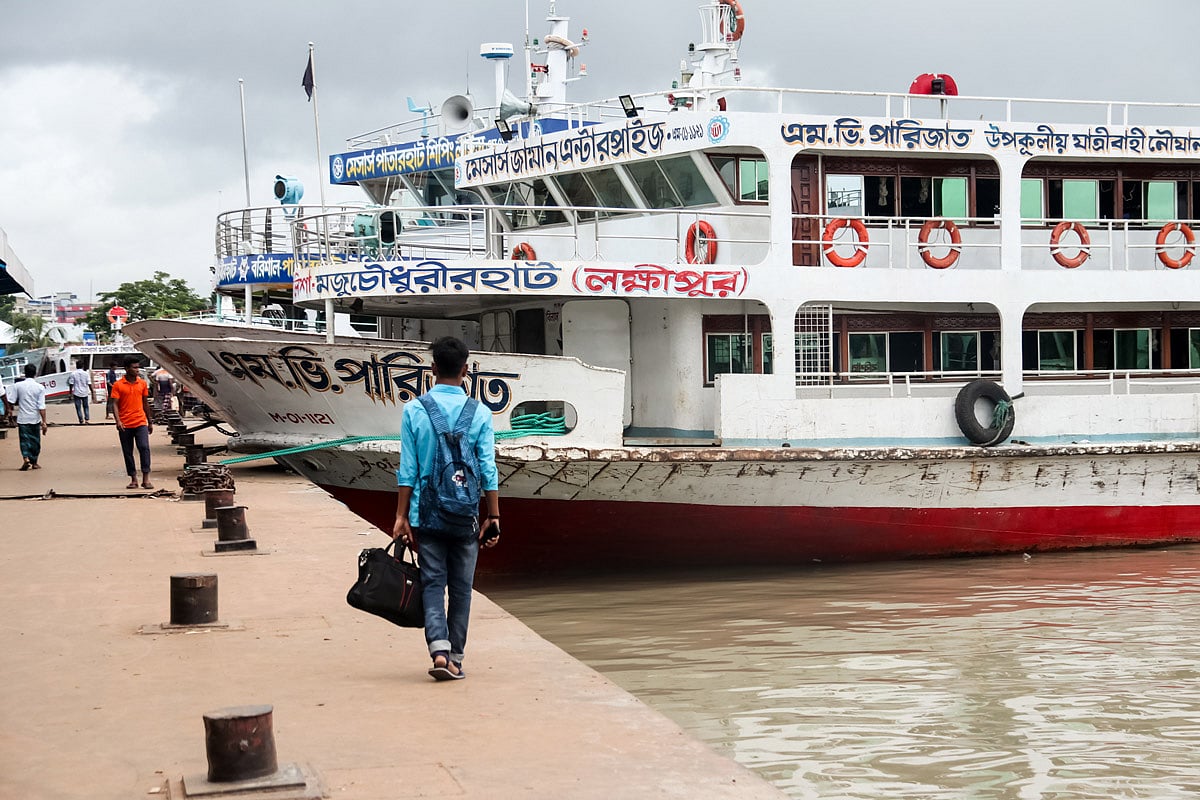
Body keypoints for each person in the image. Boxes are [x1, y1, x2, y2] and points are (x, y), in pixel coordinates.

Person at [392, 336, 500, 681]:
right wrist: (493, 516)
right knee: (462, 588)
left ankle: (438, 649)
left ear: (433, 368)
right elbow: (487, 470)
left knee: (433, 582)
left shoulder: (415, 410)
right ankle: (455, 657)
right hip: (466, 516)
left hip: (427, 514)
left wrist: (401, 516)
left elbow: (407, 469)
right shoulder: (480, 413)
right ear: (465, 370)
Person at [109, 356, 154, 490]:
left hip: (140, 422)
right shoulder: (118, 385)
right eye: (134, 367)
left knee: (144, 448)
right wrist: (118, 421)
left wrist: (150, 421)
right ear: (127, 369)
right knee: (127, 451)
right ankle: (133, 479)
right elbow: (115, 404)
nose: (137, 370)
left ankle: (146, 478)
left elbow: (145, 403)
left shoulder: (142, 384)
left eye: (137, 367)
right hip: (125, 424)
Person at [6, 364, 48, 470]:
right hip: (35, 418)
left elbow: (11, 401)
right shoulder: (40, 387)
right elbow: (41, 406)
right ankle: (34, 462)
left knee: (24, 440)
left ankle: (26, 458)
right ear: (35, 373)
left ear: (25, 373)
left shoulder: (18, 386)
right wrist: (44, 422)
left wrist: (9, 413)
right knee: (35, 441)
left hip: (23, 418)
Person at [67, 360, 91, 424]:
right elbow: (89, 383)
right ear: (82, 366)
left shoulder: (73, 374)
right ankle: (87, 419)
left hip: (76, 393)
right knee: (86, 406)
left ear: (76, 366)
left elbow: (71, 384)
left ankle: (81, 420)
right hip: (85, 392)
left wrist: (70, 393)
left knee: (78, 407)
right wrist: (92, 390)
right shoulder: (86, 373)